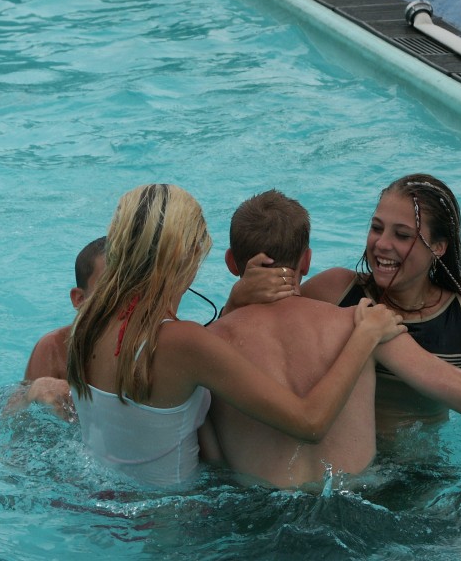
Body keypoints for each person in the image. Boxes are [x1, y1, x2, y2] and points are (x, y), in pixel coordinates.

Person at [202, 190, 461, 488]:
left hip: (392, 477)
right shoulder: (363, 318)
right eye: (376, 228)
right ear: (307, 260)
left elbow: (211, 451)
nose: (382, 244)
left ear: (230, 262)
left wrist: (232, 306)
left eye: (402, 235)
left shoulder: (204, 346)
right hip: (363, 490)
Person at [66, 184, 406, 488]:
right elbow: (309, 422)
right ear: (189, 256)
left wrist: (233, 305)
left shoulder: (86, 327)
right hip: (178, 522)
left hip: (101, 502)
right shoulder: (185, 342)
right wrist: (365, 336)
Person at [4, 237, 106, 417]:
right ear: (80, 299)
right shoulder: (55, 350)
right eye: (109, 290)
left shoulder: (151, 349)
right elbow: (10, 419)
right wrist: (35, 392)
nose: (123, 300)